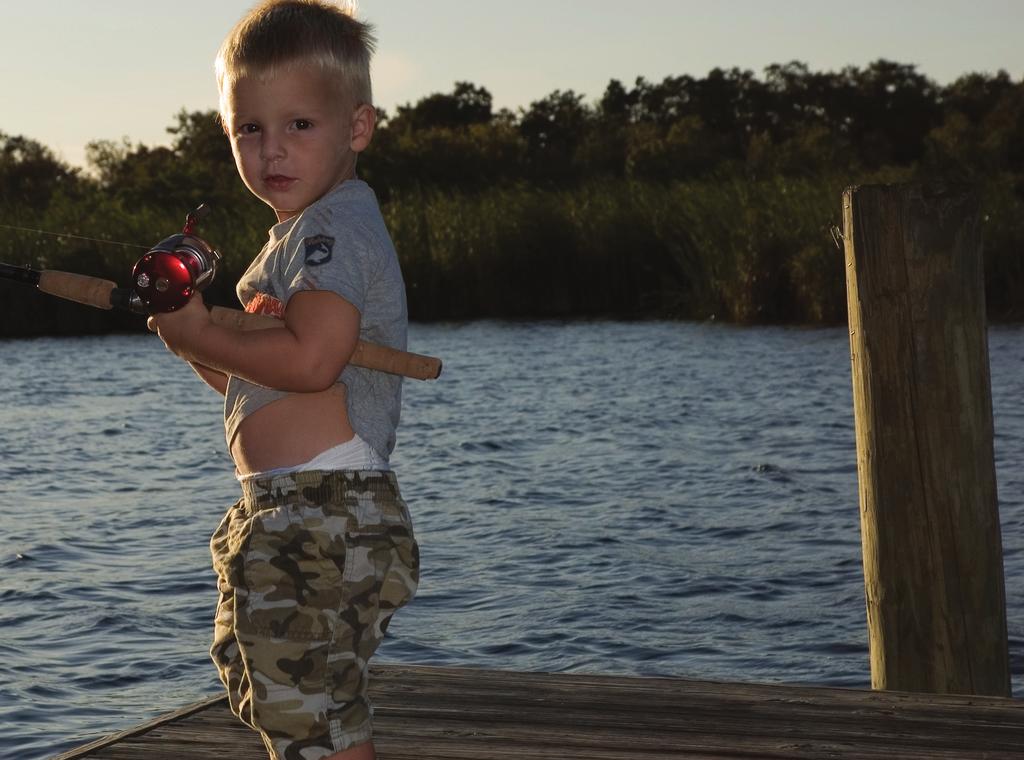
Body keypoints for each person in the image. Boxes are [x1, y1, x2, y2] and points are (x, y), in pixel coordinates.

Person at [148, 2, 418, 758]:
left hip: (324, 507)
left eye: (300, 125)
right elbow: (268, 385)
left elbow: (313, 362)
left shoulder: (332, 232)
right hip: (286, 505)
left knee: (301, 702)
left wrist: (203, 329)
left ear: (357, 128)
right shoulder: (295, 239)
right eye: (250, 128)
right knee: (288, 691)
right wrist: (193, 344)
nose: (273, 149)